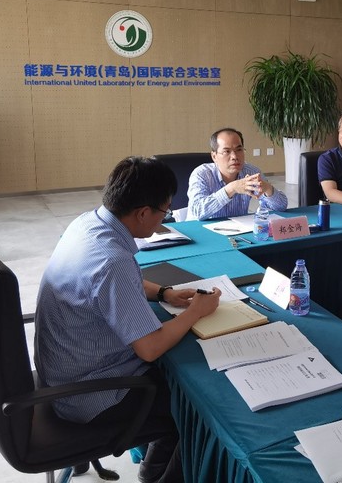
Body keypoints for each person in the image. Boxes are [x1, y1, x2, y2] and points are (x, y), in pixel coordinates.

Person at [34, 156, 221, 483]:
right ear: (143, 213)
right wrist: (196, 312)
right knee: (200, 408)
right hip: (92, 394)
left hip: (64, 372)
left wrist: (163, 293)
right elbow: (150, 348)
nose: (164, 219)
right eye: (165, 211)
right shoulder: (112, 261)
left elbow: (110, 283)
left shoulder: (88, 223)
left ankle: (151, 470)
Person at [186, 128, 288, 220]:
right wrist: (231, 188)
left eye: (239, 150)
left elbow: (281, 207)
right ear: (214, 156)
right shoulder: (201, 174)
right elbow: (197, 211)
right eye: (227, 151)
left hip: (238, 231)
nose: (234, 156)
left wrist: (268, 189)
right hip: (200, 231)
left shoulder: (251, 172)